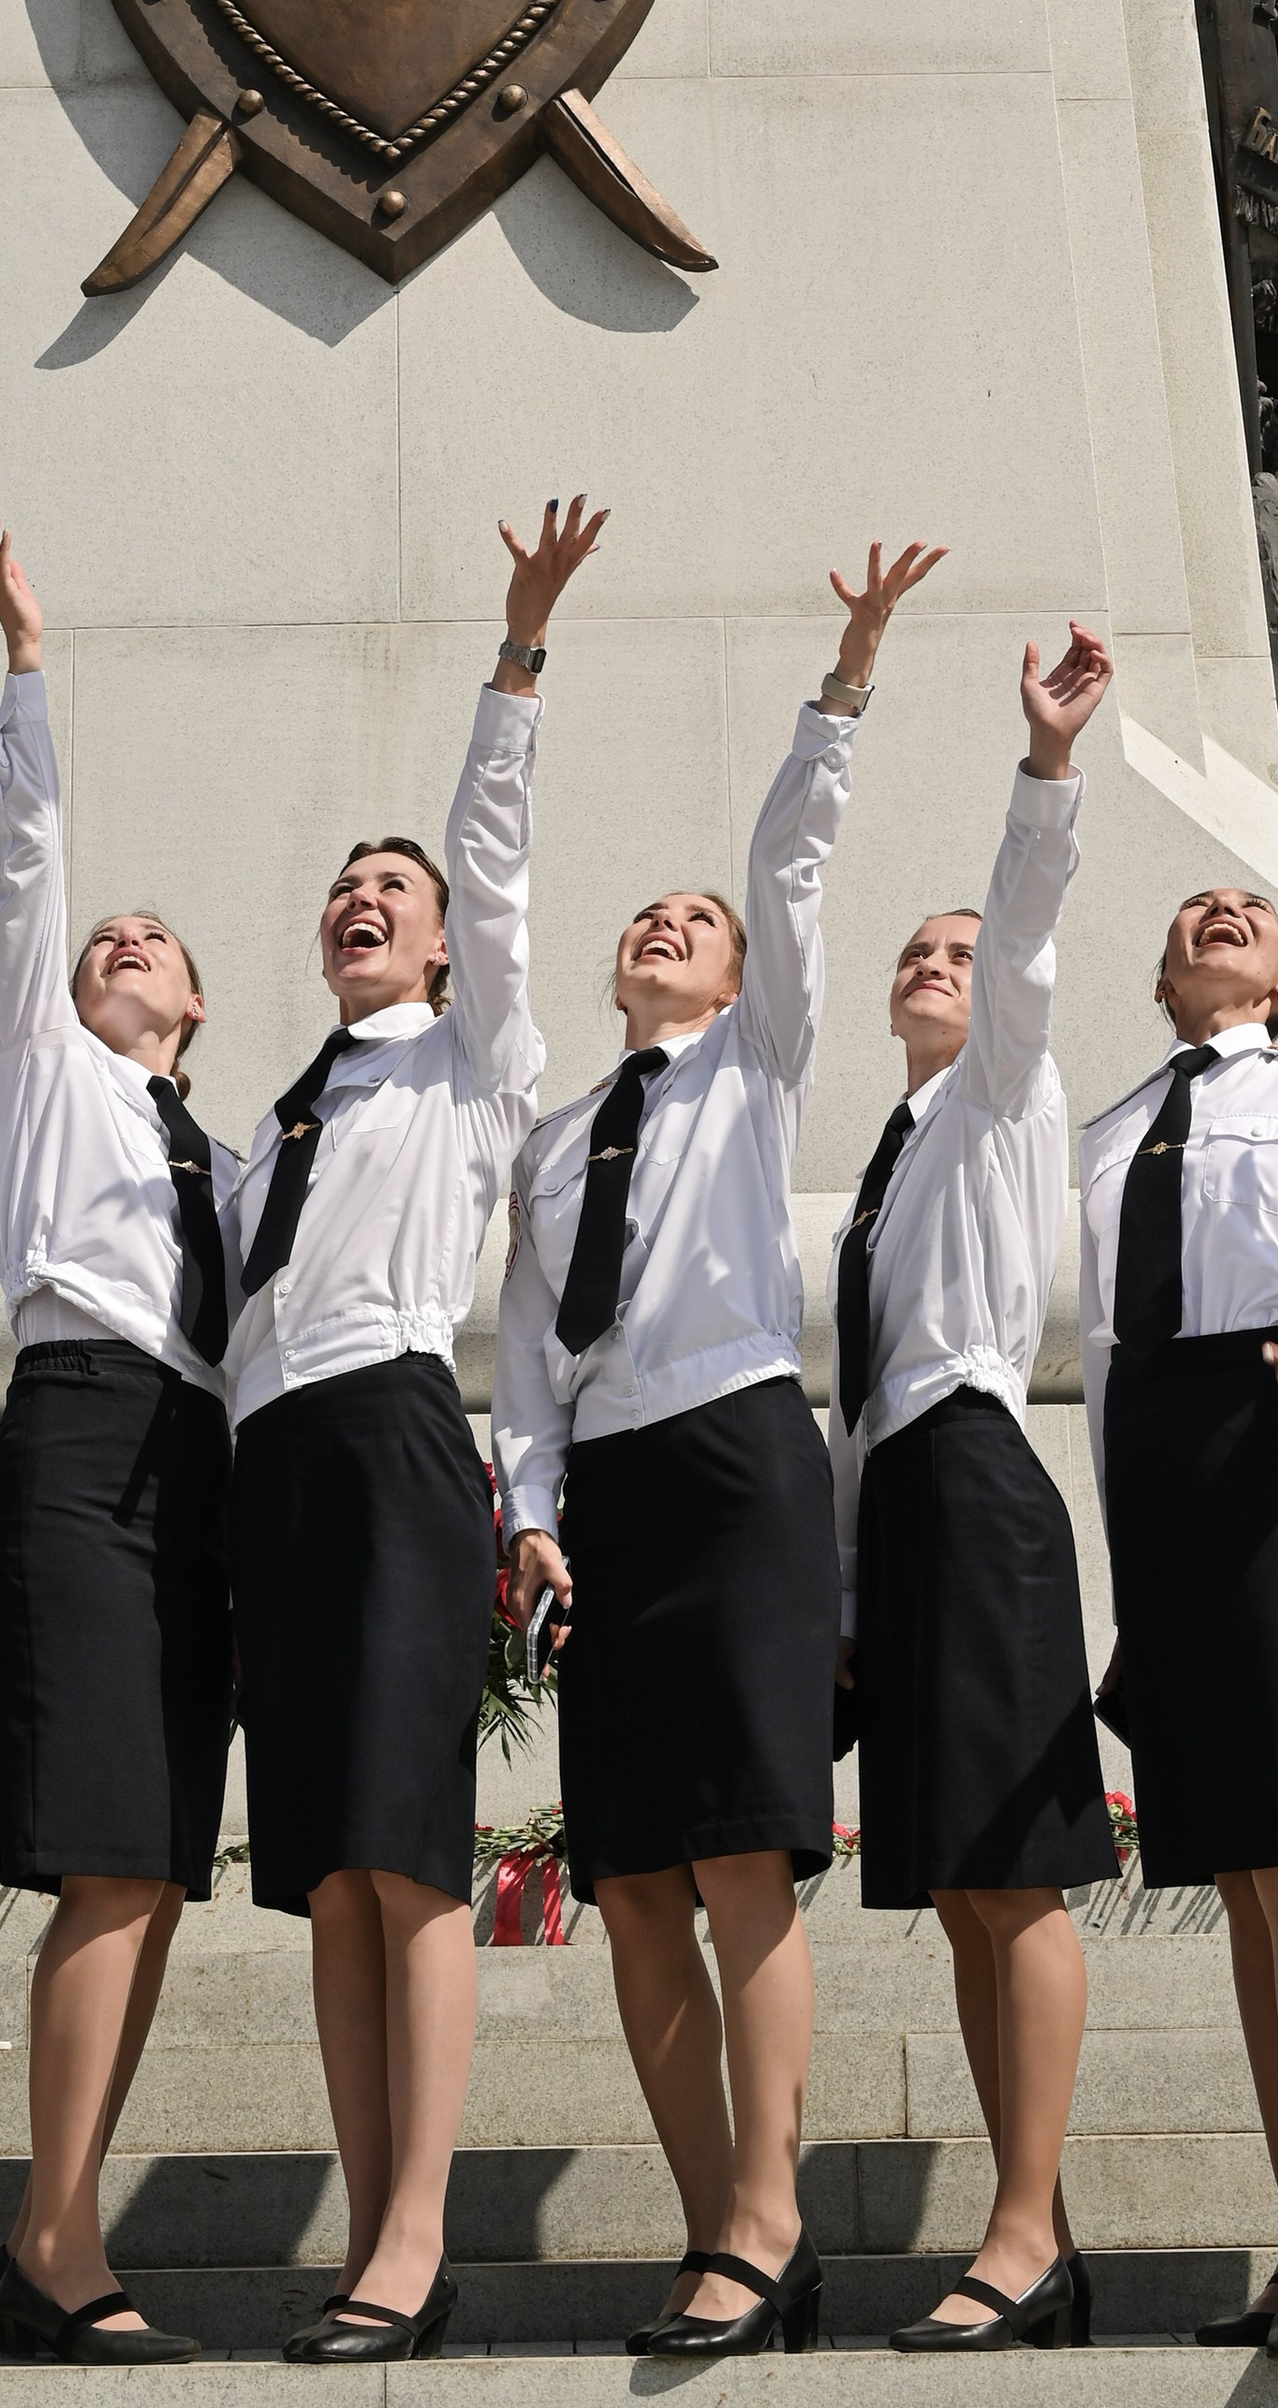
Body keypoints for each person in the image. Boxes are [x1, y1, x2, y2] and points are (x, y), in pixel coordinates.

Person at [496, 539, 945, 2364]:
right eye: (650, 921)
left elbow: (791, 864)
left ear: (746, 977)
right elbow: (523, 1356)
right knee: (626, 1884)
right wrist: (527, 1511)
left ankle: (766, 2217)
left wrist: (840, 682)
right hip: (611, 1493)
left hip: (746, 1459)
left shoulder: (759, 1067)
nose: (669, 928)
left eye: (701, 922)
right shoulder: (546, 1140)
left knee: (746, 1858)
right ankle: (720, 2224)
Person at [225, 499, 601, 2367]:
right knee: (324, 1878)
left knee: (407, 1855)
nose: (361, 900)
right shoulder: (283, 1110)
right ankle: (374, 2231)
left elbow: (501, 868)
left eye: (396, 892)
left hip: (388, 1442)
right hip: (276, 1464)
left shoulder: (472, 1064)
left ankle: (416, 2234)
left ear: (446, 953)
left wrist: (514, 663)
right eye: (343, 887)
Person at [829, 618, 1119, 2354]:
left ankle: (1022, 2230)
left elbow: (1022, 937)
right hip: (910, 1505)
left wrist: (1047, 767)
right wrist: (858, 1602)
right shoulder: (890, 1155)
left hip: (987, 1472)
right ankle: (1041, 2225)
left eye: (962, 948)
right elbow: (857, 1415)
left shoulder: (1009, 1086)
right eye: (919, 952)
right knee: (955, 1881)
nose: (946, 964)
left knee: (1010, 1871)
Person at [0, 510, 233, 2365]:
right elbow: (26, 871)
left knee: (151, 1871)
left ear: (196, 1008)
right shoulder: (44, 1078)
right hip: (74, 1432)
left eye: (160, 941)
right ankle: (56, 2240)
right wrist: (29, 670)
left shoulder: (233, 1149)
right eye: (107, 941)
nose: (122, 942)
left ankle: (56, 2227)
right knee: (104, 1861)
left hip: (200, 1464)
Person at [1074, 875, 1278, 2365]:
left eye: (1246, 917)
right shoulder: (1111, 1127)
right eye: (1191, 908)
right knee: (1239, 1880)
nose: (1213, 915)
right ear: (1163, 976)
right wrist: (1130, 1558)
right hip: (1162, 1465)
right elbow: (1107, 1350)